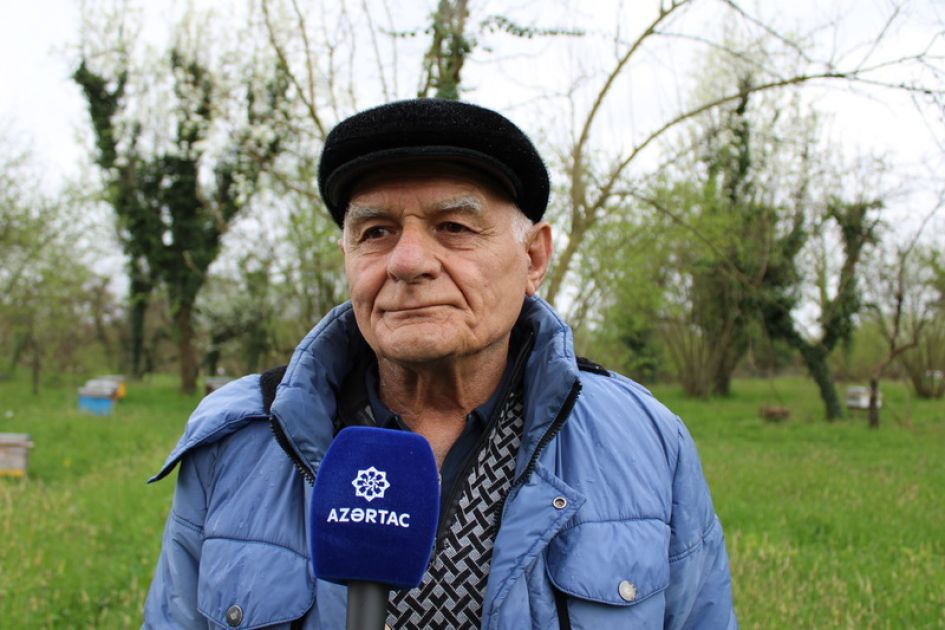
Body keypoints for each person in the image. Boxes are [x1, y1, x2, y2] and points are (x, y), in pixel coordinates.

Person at [144, 99, 736, 629]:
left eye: (453, 227)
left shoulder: (645, 440)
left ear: (533, 259)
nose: (407, 262)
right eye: (376, 231)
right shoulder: (239, 442)